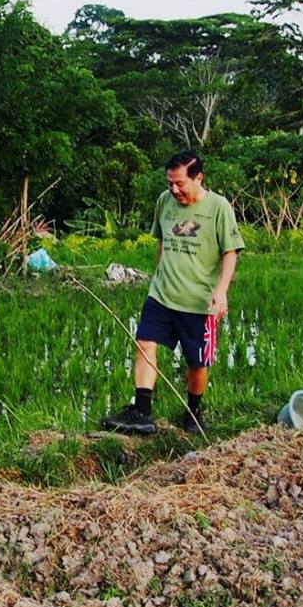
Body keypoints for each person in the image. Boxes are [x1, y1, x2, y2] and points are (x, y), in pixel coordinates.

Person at [101, 151, 243, 437]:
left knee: (196, 363)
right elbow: (162, 242)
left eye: (180, 184)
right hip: (162, 295)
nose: (174, 190)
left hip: (198, 303)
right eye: (170, 184)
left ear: (198, 178)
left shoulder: (219, 208)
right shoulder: (164, 202)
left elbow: (230, 252)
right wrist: (158, 274)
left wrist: (221, 292)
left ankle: (193, 411)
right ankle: (142, 412)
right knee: (144, 343)